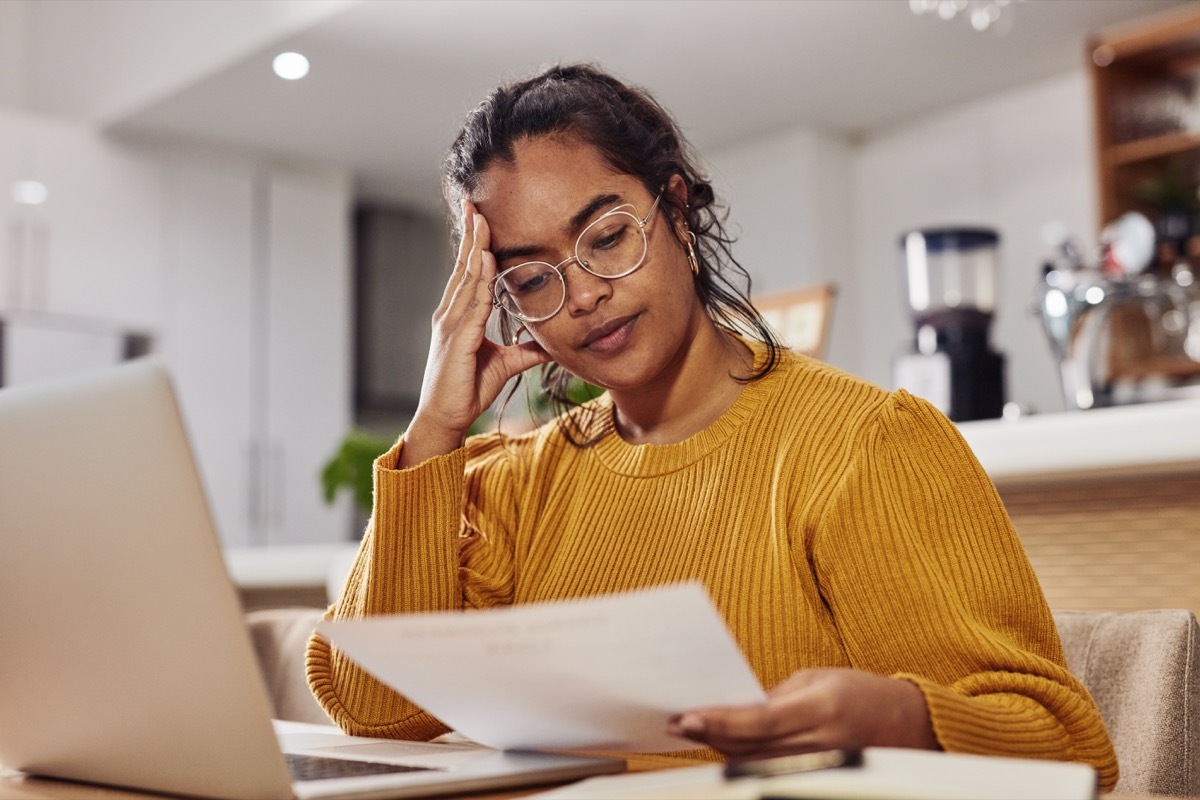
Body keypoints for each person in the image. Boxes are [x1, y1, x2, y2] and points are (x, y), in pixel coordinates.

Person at [306, 63, 1118, 789]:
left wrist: (897, 718)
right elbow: (379, 715)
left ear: (678, 210)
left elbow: (1069, 748)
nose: (583, 293)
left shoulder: (862, 445)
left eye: (608, 236)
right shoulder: (515, 485)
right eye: (532, 278)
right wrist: (435, 428)